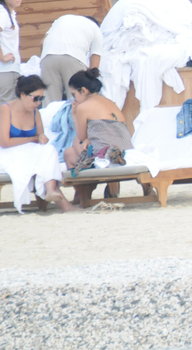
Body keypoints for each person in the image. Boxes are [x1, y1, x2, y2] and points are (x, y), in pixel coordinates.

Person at [0, 75, 75, 212]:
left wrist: (41, 138)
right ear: (23, 95)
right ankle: (60, 201)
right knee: (41, 159)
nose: (38, 102)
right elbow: (4, 142)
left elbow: (40, 137)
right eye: (36, 98)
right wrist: (32, 139)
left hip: (29, 152)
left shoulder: (35, 113)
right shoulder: (6, 109)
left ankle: (51, 189)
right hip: (8, 153)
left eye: (42, 98)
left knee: (48, 150)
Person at [63, 68, 132, 198]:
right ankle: (110, 187)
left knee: (70, 152)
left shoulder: (83, 107)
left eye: (74, 94)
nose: (74, 99)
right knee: (84, 143)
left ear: (83, 90)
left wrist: (74, 114)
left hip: (105, 153)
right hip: (126, 149)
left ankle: (82, 193)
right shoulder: (111, 103)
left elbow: (81, 136)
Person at [40, 15, 104, 104]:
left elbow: (42, 43)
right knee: (76, 99)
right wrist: (90, 80)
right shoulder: (96, 29)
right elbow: (95, 58)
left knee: (50, 102)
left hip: (48, 57)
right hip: (74, 57)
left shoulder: (62, 18)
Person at [0, 0, 23, 104]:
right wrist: (2, 57)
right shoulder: (2, 13)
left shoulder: (10, 13)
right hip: (4, 70)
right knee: (6, 106)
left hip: (11, 68)